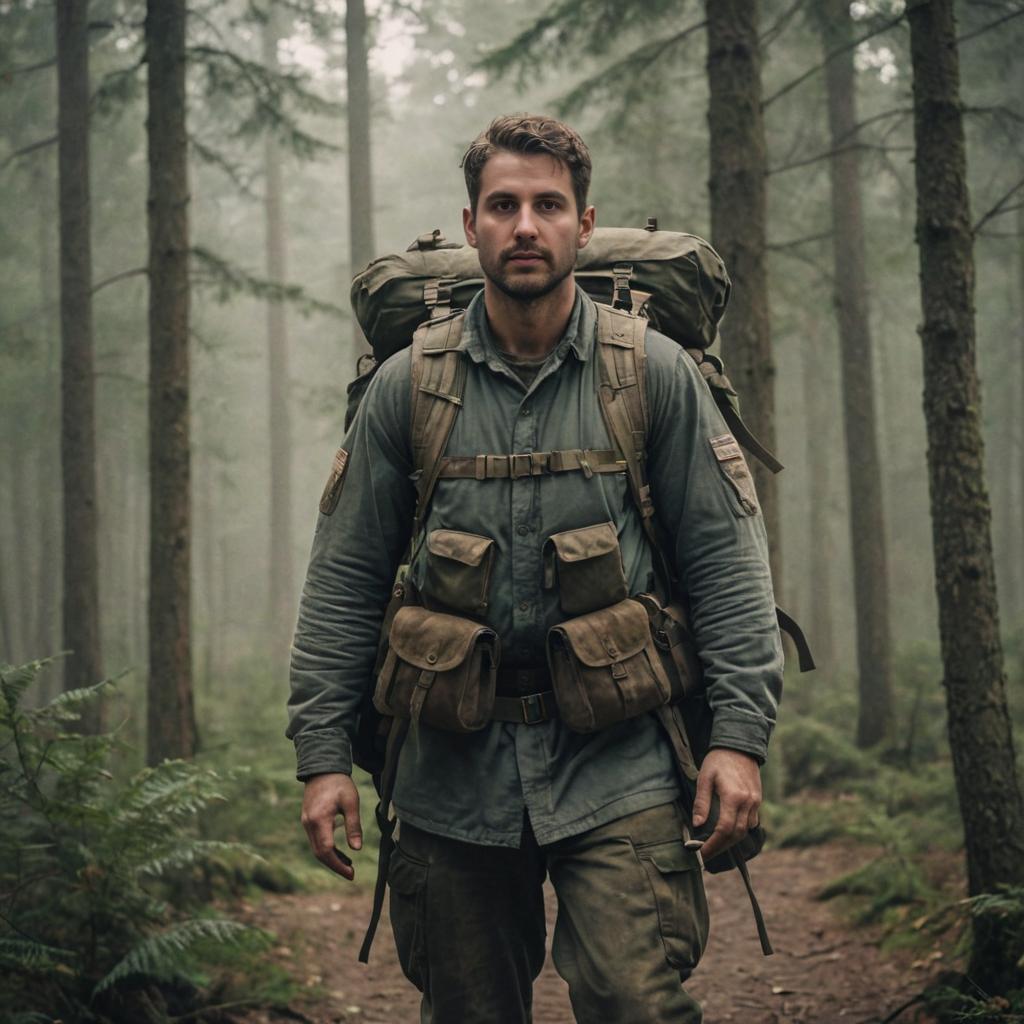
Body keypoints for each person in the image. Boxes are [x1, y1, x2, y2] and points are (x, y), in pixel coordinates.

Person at [286, 113, 783, 1024]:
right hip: (448, 767)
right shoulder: (406, 387)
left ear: (583, 226)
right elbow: (344, 583)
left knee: (635, 999)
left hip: (620, 756)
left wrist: (738, 739)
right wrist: (323, 757)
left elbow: (728, 568)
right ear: (470, 222)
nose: (525, 225)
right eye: (503, 204)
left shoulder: (655, 375)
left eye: (547, 205)